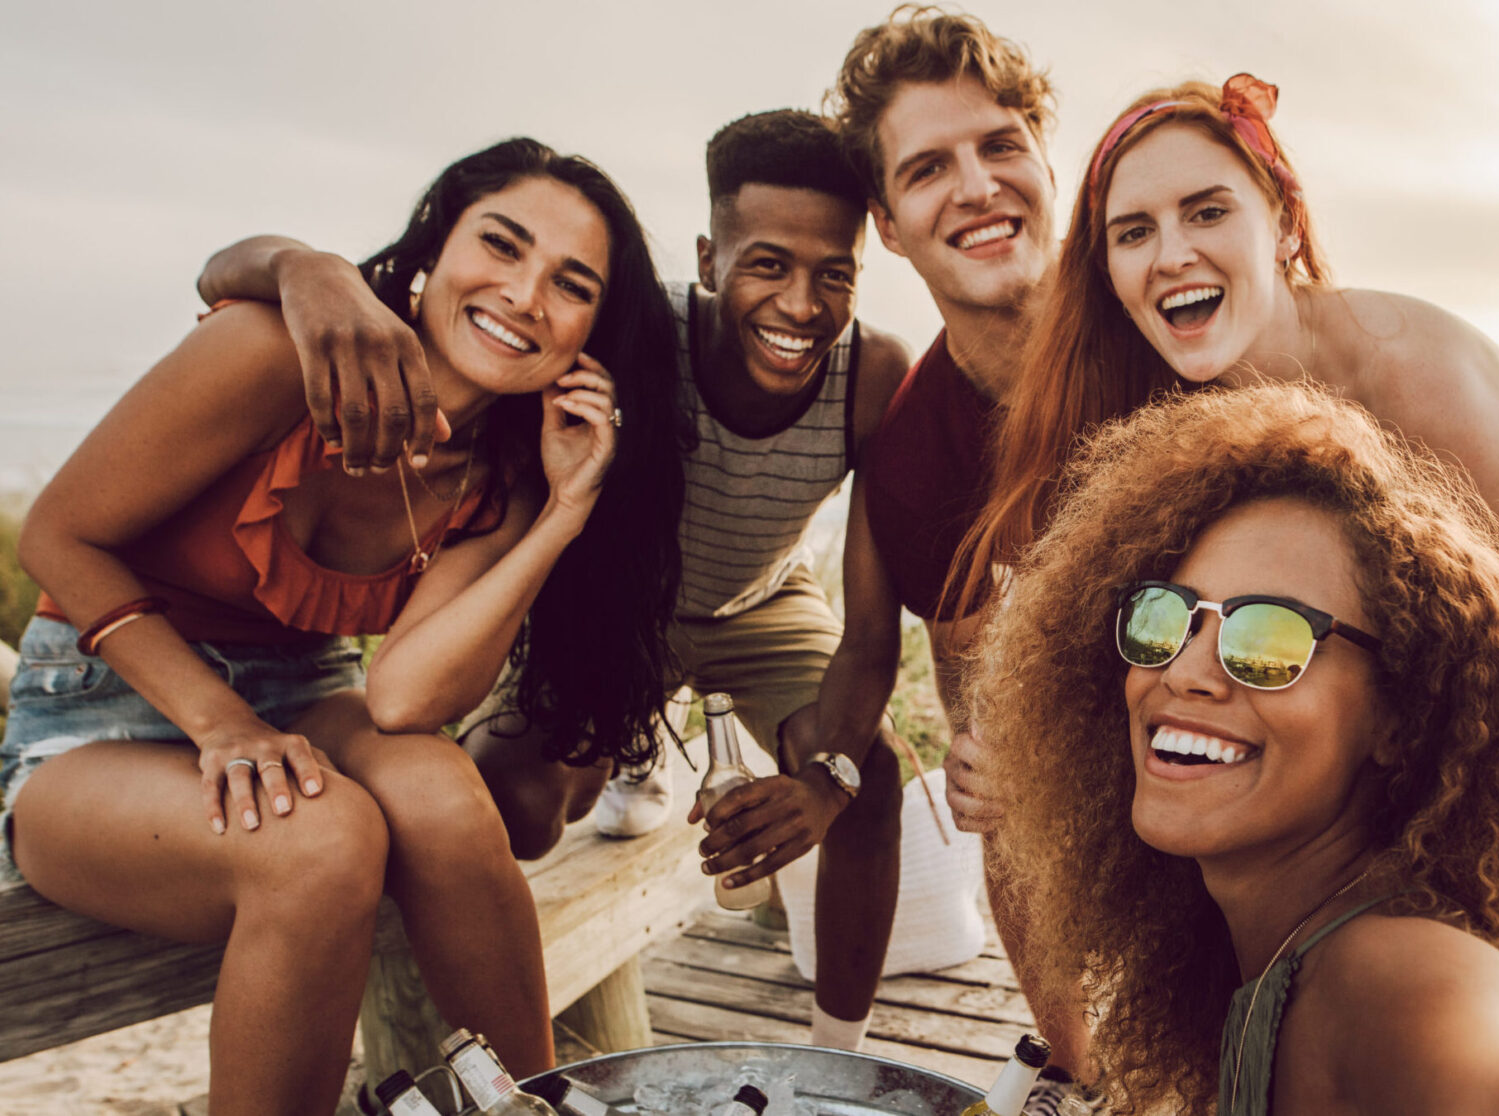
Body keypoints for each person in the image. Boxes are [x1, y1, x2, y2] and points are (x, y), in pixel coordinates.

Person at [193, 110, 917, 1051]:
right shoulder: (632, 331)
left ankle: (839, 1057)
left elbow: (870, 628)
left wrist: (826, 781)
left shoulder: (872, 374)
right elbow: (224, 273)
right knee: (521, 814)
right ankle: (632, 757)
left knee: (875, 773)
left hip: (763, 602)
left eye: (835, 274)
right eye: (768, 264)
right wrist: (309, 269)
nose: (801, 304)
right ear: (709, 258)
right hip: (620, 608)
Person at [0, 138, 684, 1115]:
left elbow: (405, 699)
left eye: (570, 285)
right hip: (93, 716)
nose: (527, 295)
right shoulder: (277, 353)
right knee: (322, 842)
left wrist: (564, 509)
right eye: (501, 245)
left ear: (589, 335)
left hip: (300, 696)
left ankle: (542, 1101)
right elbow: (59, 536)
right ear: (435, 252)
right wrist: (221, 724)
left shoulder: (506, 474)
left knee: (443, 791)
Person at [969, 382, 1499, 1116]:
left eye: (1270, 640)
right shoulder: (1268, 947)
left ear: (1399, 716)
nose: (1185, 671)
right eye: (1167, 617)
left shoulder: (1393, 978)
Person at [970, 74, 1499, 763]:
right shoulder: (1158, 389)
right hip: (1463, 613)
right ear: (1107, 272)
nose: (1172, 255)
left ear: (1286, 227)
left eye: (1208, 212)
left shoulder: (1404, 365)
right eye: (1134, 232)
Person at [820, 7, 1094, 1100]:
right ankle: (1073, 1068)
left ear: (1043, 158)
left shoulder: (1170, 320)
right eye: (929, 168)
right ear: (886, 225)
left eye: (998, 146)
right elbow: (982, 715)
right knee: (995, 781)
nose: (977, 188)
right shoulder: (917, 457)